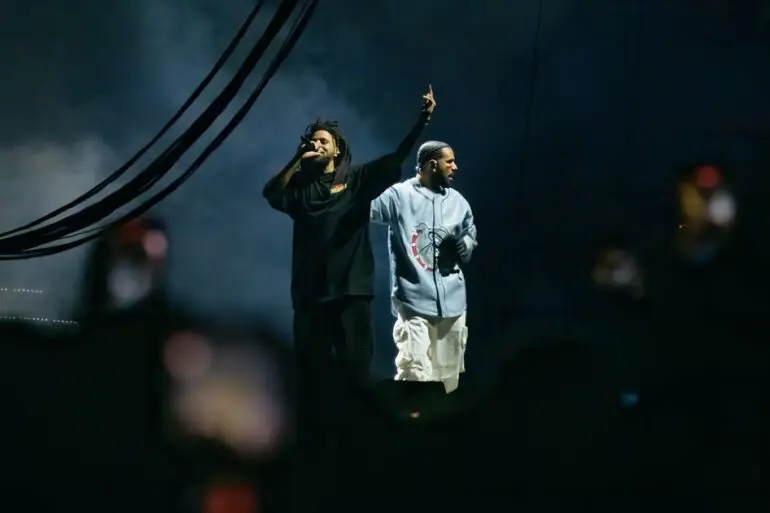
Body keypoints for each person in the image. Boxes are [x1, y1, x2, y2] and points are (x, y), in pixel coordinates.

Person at [262, 85, 436, 442]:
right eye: (311, 140)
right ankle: (312, 442)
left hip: (350, 294)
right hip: (309, 298)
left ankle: (362, 440)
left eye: (322, 141)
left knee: (356, 373)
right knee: (308, 377)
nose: (315, 144)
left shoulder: (356, 180)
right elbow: (272, 193)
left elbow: (396, 158)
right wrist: (298, 157)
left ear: (337, 148)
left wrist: (421, 123)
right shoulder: (300, 190)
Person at [370, 140, 477, 415]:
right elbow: (364, 207)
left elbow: (470, 232)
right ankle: (411, 432)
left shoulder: (459, 203)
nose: (455, 167)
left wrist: (466, 244)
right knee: (414, 375)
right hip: (414, 304)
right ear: (432, 164)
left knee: (448, 382)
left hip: (453, 305)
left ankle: (442, 433)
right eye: (449, 161)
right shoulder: (399, 196)